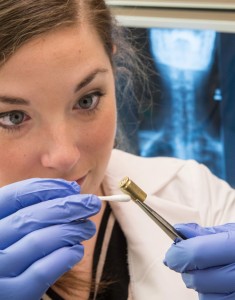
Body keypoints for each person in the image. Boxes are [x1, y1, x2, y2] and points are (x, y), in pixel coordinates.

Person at [0, 1, 235, 300]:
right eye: (13, 117)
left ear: (113, 69)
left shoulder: (198, 195)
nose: (65, 155)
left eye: (87, 100)